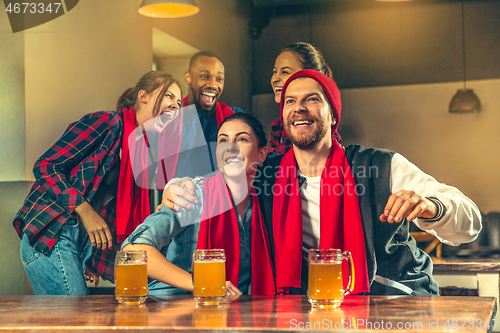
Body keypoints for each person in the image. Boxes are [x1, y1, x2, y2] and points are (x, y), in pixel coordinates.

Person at [164, 70, 482, 296]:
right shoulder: (267, 172)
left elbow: (470, 225)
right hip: (314, 303)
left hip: (397, 298)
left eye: (312, 99)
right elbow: (222, 179)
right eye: (290, 101)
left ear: (332, 116)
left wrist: (431, 207)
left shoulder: (378, 165)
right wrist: (176, 187)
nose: (299, 107)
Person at [14, 71, 182, 295]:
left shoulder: (141, 153)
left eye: (179, 102)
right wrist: (85, 211)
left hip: (77, 245)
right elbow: (45, 166)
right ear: (143, 96)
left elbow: (113, 212)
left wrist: (88, 258)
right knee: (76, 325)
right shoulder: (108, 123)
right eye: (169, 96)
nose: (175, 106)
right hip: (52, 235)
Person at [122, 113, 275, 296]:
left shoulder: (265, 205)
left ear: (262, 153)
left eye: (242, 139)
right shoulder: (192, 193)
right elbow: (133, 250)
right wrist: (202, 284)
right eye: (223, 141)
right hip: (170, 308)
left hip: (226, 313)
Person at [177, 51, 244, 177]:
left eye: (219, 79)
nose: (213, 85)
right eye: (205, 77)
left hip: (223, 195)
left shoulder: (234, 118)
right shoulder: (172, 118)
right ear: (188, 77)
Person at [269, 42, 340, 154]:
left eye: (285, 72)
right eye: (274, 72)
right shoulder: (278, 126)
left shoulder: (322, 132)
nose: (275, 79)